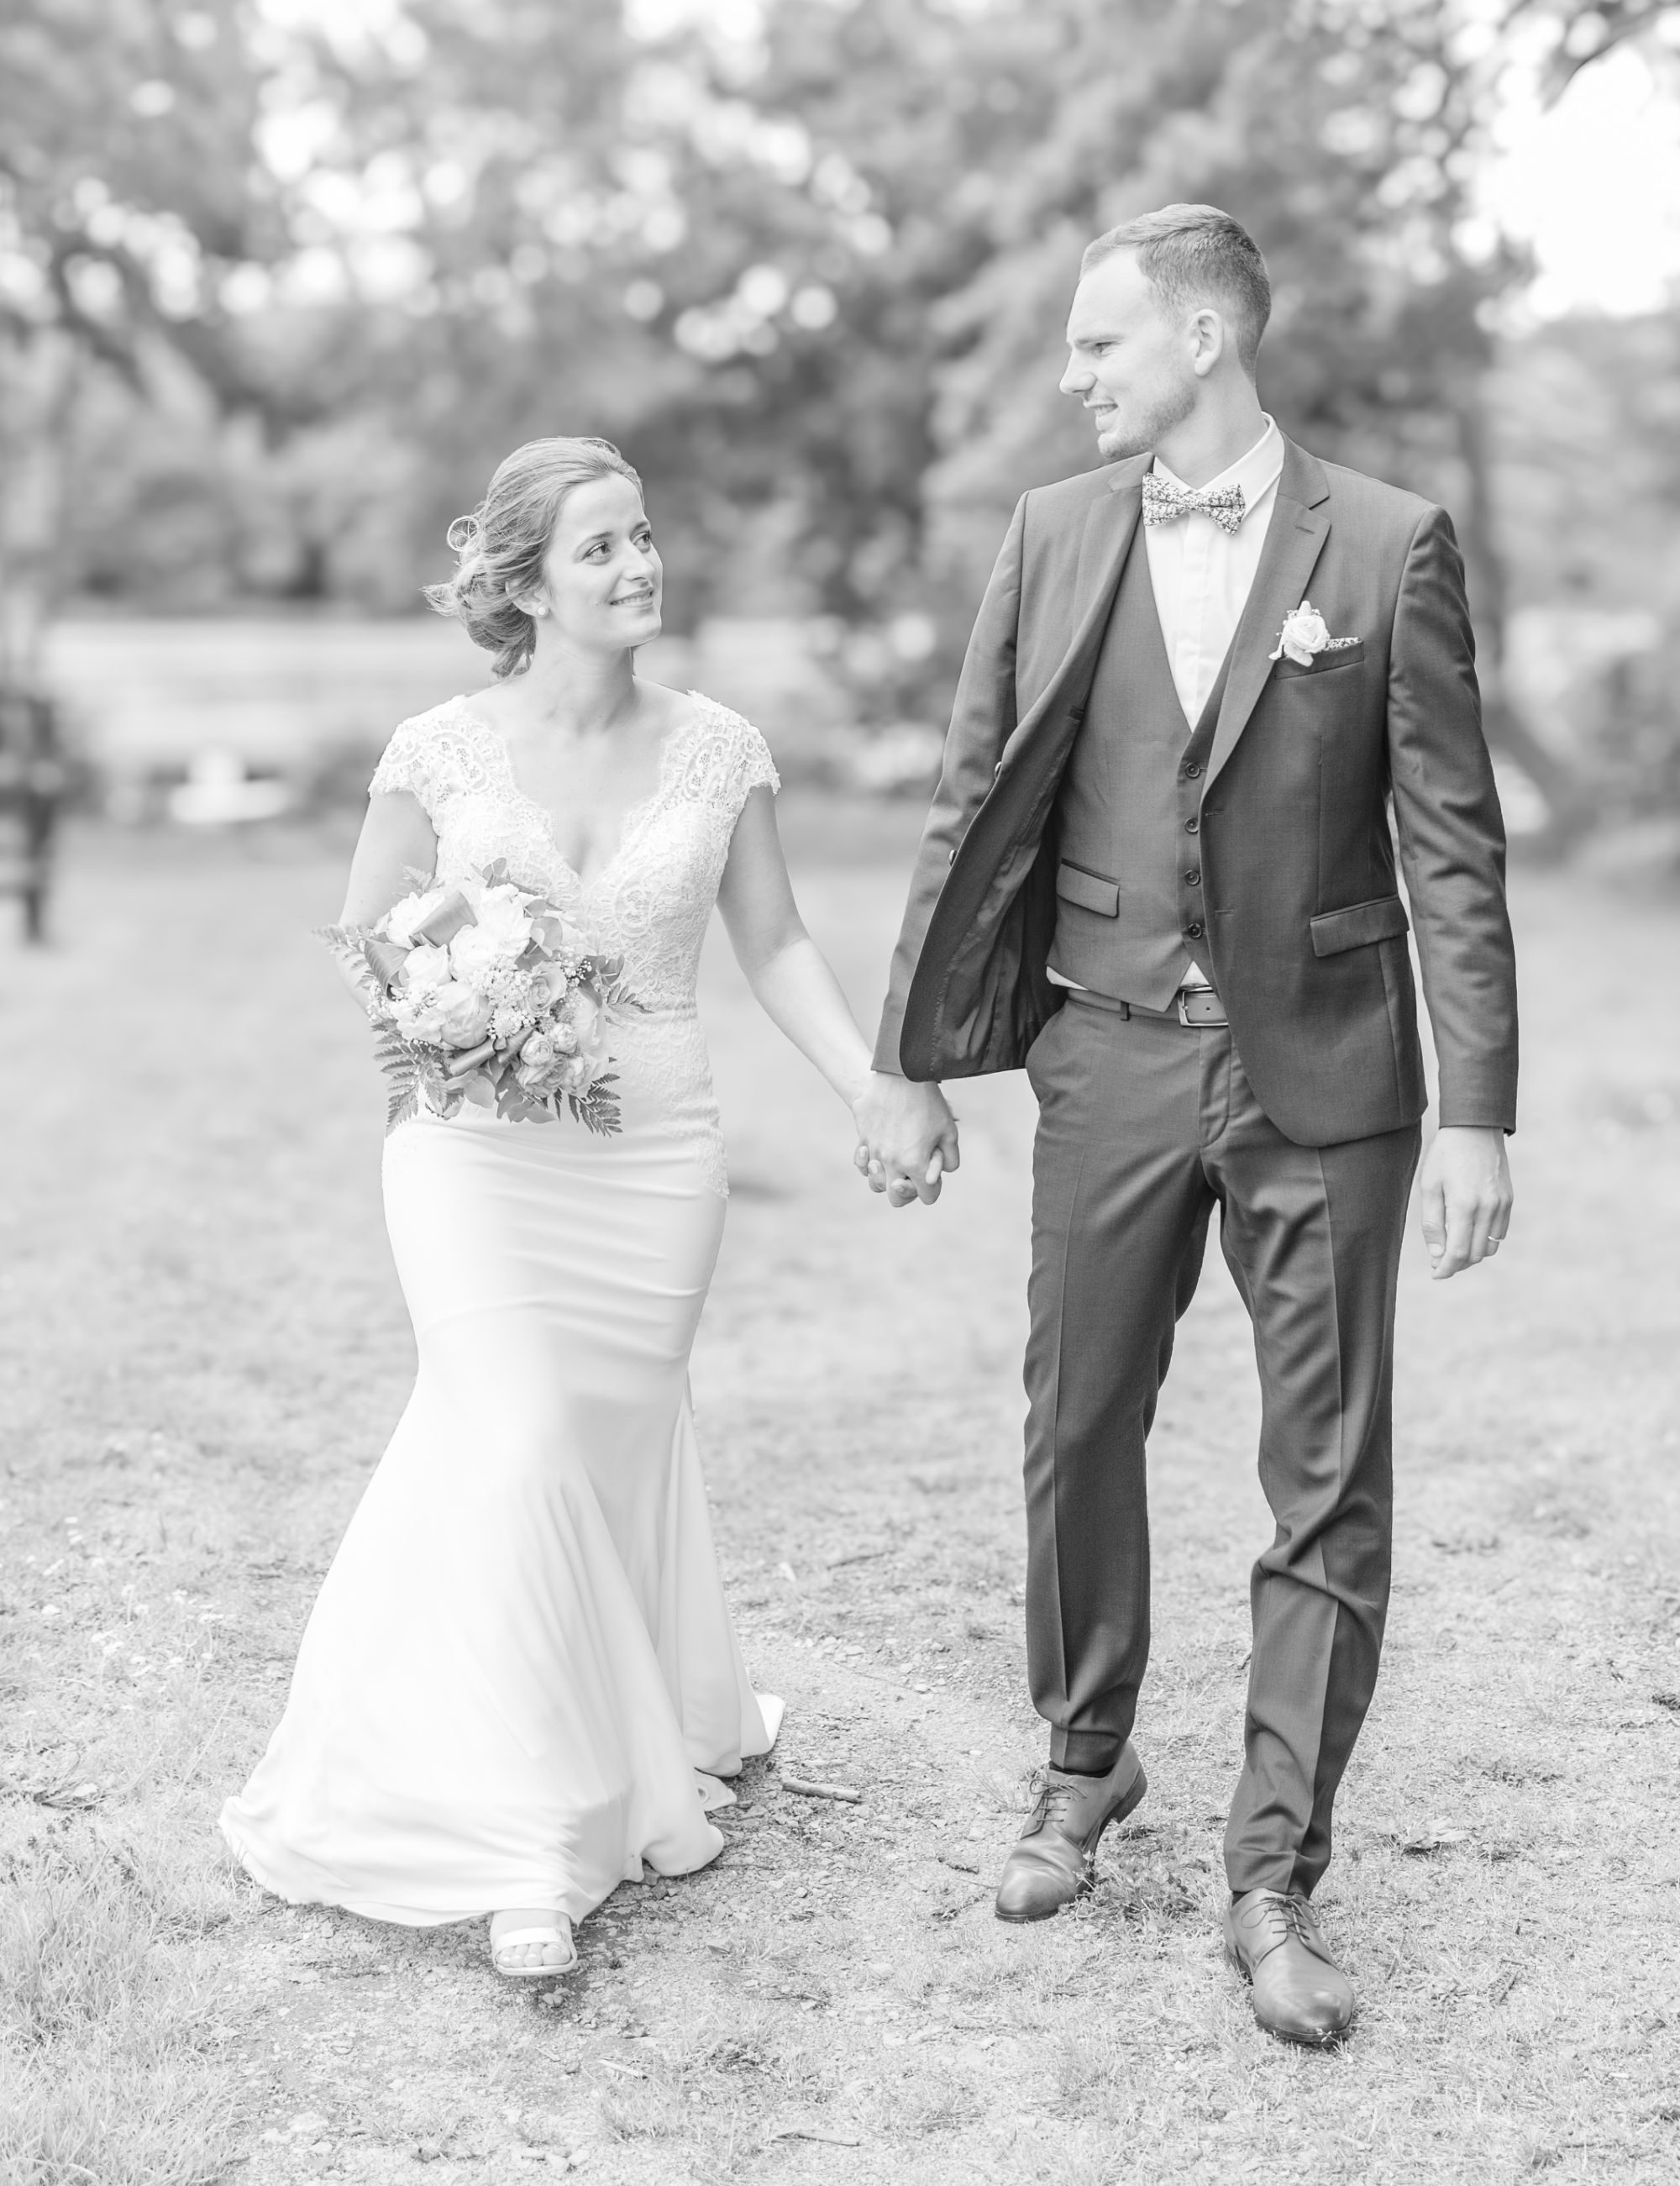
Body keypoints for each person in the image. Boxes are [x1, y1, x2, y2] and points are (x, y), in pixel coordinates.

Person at [853, 205, 1516, 2046]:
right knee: (1075, 1423)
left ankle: (1273, 1873)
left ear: (1203, 339)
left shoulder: (1385, 543)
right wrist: (908, 1055)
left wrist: (1477, 1111)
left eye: (1100, 343)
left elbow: (1452, 844)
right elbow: (969, 797)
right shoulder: (1054, 531)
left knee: (1329, 1475)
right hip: (1111, 1053)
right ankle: (1084, 1761)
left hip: (1331, 1079)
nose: (1073, 375)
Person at [222, 436, 890, 1978]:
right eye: (601, 547)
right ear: (525, 586)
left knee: (596, 1448)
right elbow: (371, 939)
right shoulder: (438, 752)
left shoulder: (721, 751)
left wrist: (867, 1087)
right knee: (516, 1436)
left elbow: (776, 944)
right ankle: (533, 1842)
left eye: (643, 536)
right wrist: (464, 1002)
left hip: (654, 1156)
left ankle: (627, 1709)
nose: (639, 565)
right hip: (470, 1149)